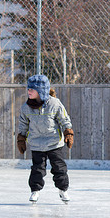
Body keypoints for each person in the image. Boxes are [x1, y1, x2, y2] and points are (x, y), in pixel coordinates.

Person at [17, 75, 74, 204]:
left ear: (41, 91)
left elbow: (64, 119)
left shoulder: (54, 104)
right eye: (28, 89)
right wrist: (21, 138)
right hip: (37, 143)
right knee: (37, 169)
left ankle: (63, 190)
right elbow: (23, 124)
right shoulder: (26, 107)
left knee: (59, 168)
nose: (29, 91)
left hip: (54, 143)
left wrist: (68, 133)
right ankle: (35, 191)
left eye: (32, 89)